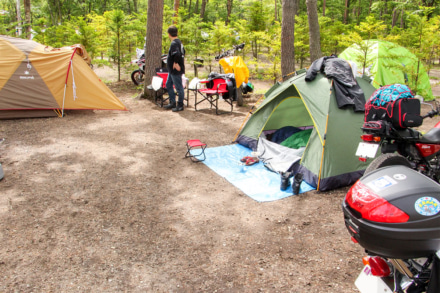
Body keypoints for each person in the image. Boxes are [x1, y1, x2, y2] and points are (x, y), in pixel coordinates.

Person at [164, 25, 185, 112]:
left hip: (175, 70)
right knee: (168, 84)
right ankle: (172, 102)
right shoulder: (178, 42)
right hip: (171, 70)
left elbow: (177, 54)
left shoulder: (174, 43)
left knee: (179, 87)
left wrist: (176, 63)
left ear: (169, 34)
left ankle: (180, 105)